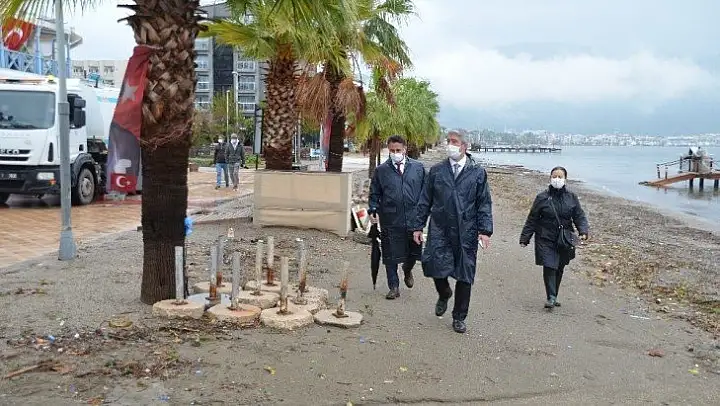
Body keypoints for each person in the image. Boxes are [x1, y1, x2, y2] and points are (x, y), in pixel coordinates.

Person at [411, 130, 493, 333]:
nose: (450, 145)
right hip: (440, 227)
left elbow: (484, 203)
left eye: (454, 141)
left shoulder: (477, 173)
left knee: (465, 274)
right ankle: (444, 292)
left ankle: (459, 317)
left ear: (464, 146)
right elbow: (425, 199)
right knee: (433, 263)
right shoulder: (437, 171)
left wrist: (485, 230)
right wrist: (418, 226)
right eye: (448, 141)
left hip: (466, 230)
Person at [520, 166, 589, 309]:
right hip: (545, 237)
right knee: (549, 265)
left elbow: (579, 215)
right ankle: (551, 297)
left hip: (564, 238)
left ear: (565, 179)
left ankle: (554, 294)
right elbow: (532, 219)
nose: (557, 179)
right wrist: (525, 238)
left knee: (559, 266)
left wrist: (583, 230)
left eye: (560, 177)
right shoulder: (542, 197)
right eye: (554, 176)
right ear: (550, 178)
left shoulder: (571, 197)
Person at [368, 135, 425, 300]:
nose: (395, 153)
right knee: (390, 253)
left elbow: (427, 191)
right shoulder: (381, 171)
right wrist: (373, 209)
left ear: (405, 149)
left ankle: (407, 269)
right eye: (392, 150)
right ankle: (393, 286)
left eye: (398, 150)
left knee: (413, 252)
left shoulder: (418, 168)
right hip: (390, 218)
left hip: (413, 219)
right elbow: (374, 193)